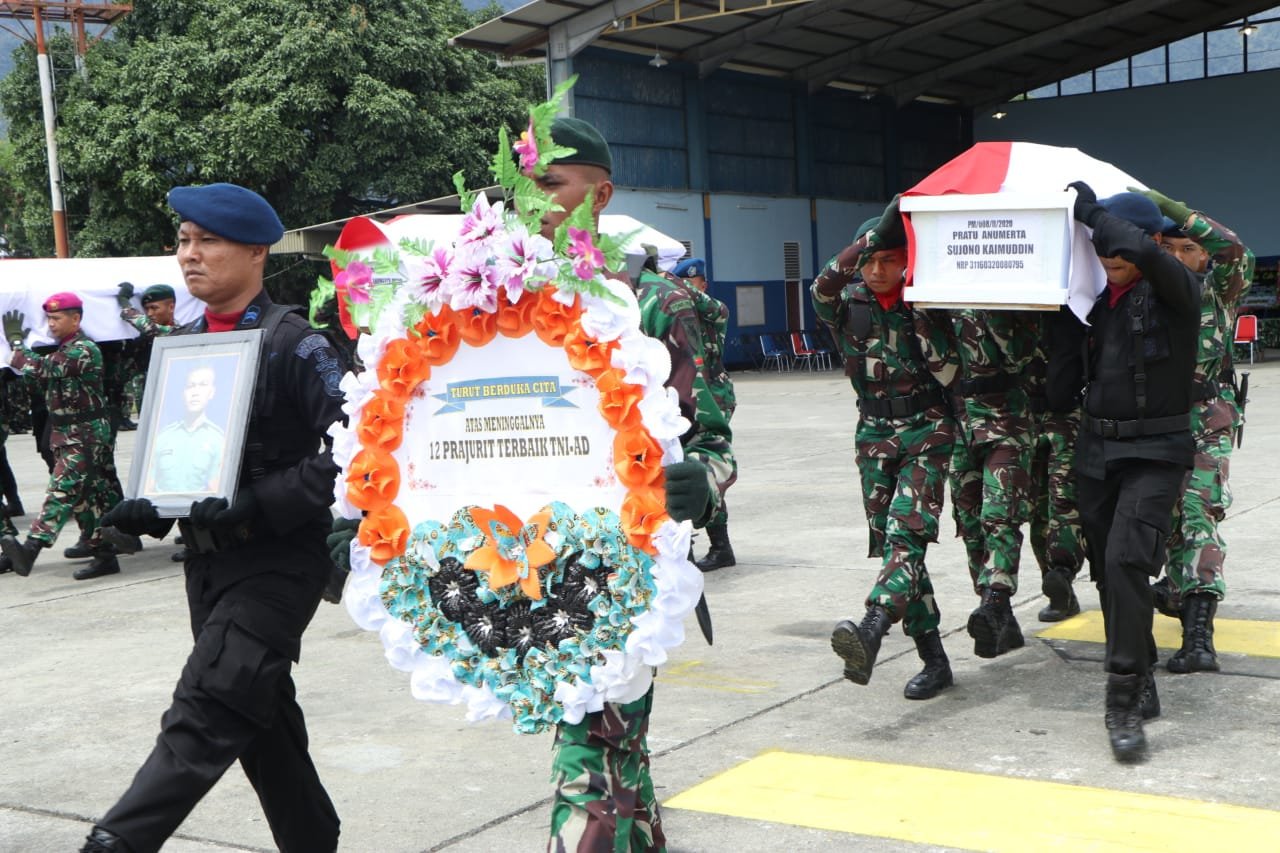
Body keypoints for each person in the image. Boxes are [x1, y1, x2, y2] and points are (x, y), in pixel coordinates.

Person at [78, 182, 346, 853]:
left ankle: (117, 839)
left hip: (280, 561)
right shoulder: (184, 345)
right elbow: (181, 457)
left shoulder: (296, 342)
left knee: (209, 704)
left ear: (257, 252)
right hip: (208, 565)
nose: (190, 255)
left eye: (208, 240)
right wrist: (148, 504)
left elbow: (361, 446)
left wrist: (267, 497)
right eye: (183, 241)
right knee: (260, 721)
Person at [532, 117, 735, 852]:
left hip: (623, 574)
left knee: (589, 766)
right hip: (531, 571)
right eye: (523, 185)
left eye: (551, 183)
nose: (535, 201)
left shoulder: (654, 304)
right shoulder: (506, 303)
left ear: (600, 192)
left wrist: (699, 484)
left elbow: (712, 436)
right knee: (618, 769)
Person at [1049, 186, 1201, 762]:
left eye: (1119, 251)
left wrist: (1090, 212)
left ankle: (1121, 701)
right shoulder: (1090, 303)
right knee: (1109, 577)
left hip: (1156, 452)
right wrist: (1061, 327)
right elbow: (1061, 393)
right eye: (1100, 252)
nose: (1110, 262)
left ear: (1151, 244)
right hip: (1096, 453)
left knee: (1126, 560)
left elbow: (1141, 248)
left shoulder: (1175, 291)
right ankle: (1144, 675)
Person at [814, 203, 960, 700]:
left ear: (908, 262)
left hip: (928, 429)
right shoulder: (845, 301)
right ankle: (934, 659)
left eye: (889, 259)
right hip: (873, 433)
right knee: (897, 551)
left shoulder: (929, 299)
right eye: (870, 260)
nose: (878, 270)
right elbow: (821, 285)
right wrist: (875, 232)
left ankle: (874, 624)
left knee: (906, 534)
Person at [1137, 188, 1254, 673]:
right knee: (1162, 519)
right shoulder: (1145, 293)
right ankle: (1175, 589)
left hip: (1205, 421)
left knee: (1197, 514)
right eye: (1169, 248)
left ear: (1204, 256)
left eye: (1190, 249)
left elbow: (1236, 251)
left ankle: (1199, 637)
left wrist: (1175, 210)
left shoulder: (1219, 290)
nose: (1180, 257)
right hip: (1151, 423)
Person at [933, 306, 1038, 658]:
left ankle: (995, 598)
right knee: (970, 523)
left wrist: (993, 307)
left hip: (1006, 418)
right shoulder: (934, 295)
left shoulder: (1009, 293)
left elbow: (1023, 353)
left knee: (1000, 514)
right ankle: (998, 620)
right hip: (959, 422)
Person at [1, 293, 124, 580]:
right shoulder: (61, 350)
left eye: (56, 318)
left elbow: (44, 368)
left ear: (76, 319)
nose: (51, 324)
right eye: (48, 319)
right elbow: (35, 376)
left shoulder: (83, 349)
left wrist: (19, 344)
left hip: (86, 434)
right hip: (66, 433)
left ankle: (31, 548)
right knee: (85, 497)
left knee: (62, 489)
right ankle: (106, 554)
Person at [672, 256, 738, 571]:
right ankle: (693, 543)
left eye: (693, 284)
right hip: (688, 398)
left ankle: (720, 546)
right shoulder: (676, 313)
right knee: (683, 469)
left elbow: (715, 308)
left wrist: (673, 283)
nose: (688, 290)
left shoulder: (714, 312)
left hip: (713, 398)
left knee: (706, 469)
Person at [1024, 324, 1086, 622]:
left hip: (1068, 411)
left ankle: (1062, 569)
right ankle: (1058, 587)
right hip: (1024, 413)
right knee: (1037, 507)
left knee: (1065, 497)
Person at [147, 363, 225, 494]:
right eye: (191, 386)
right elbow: (148, 486)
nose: (195, 392)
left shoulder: (218, 440)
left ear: (212, 392)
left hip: (200, 511)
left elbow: (216, 491)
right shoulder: (163, 437)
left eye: (203, 385)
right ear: (183, 392)